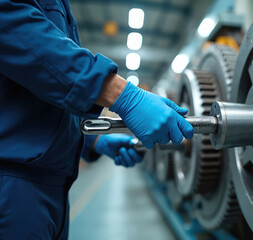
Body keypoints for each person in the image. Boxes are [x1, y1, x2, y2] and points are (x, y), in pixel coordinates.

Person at [0, 0, 194, 239]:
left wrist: (93, 142)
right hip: (11, 186)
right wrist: (124, 95)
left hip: (48, 188)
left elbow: (46, 96)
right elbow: (16, 30)